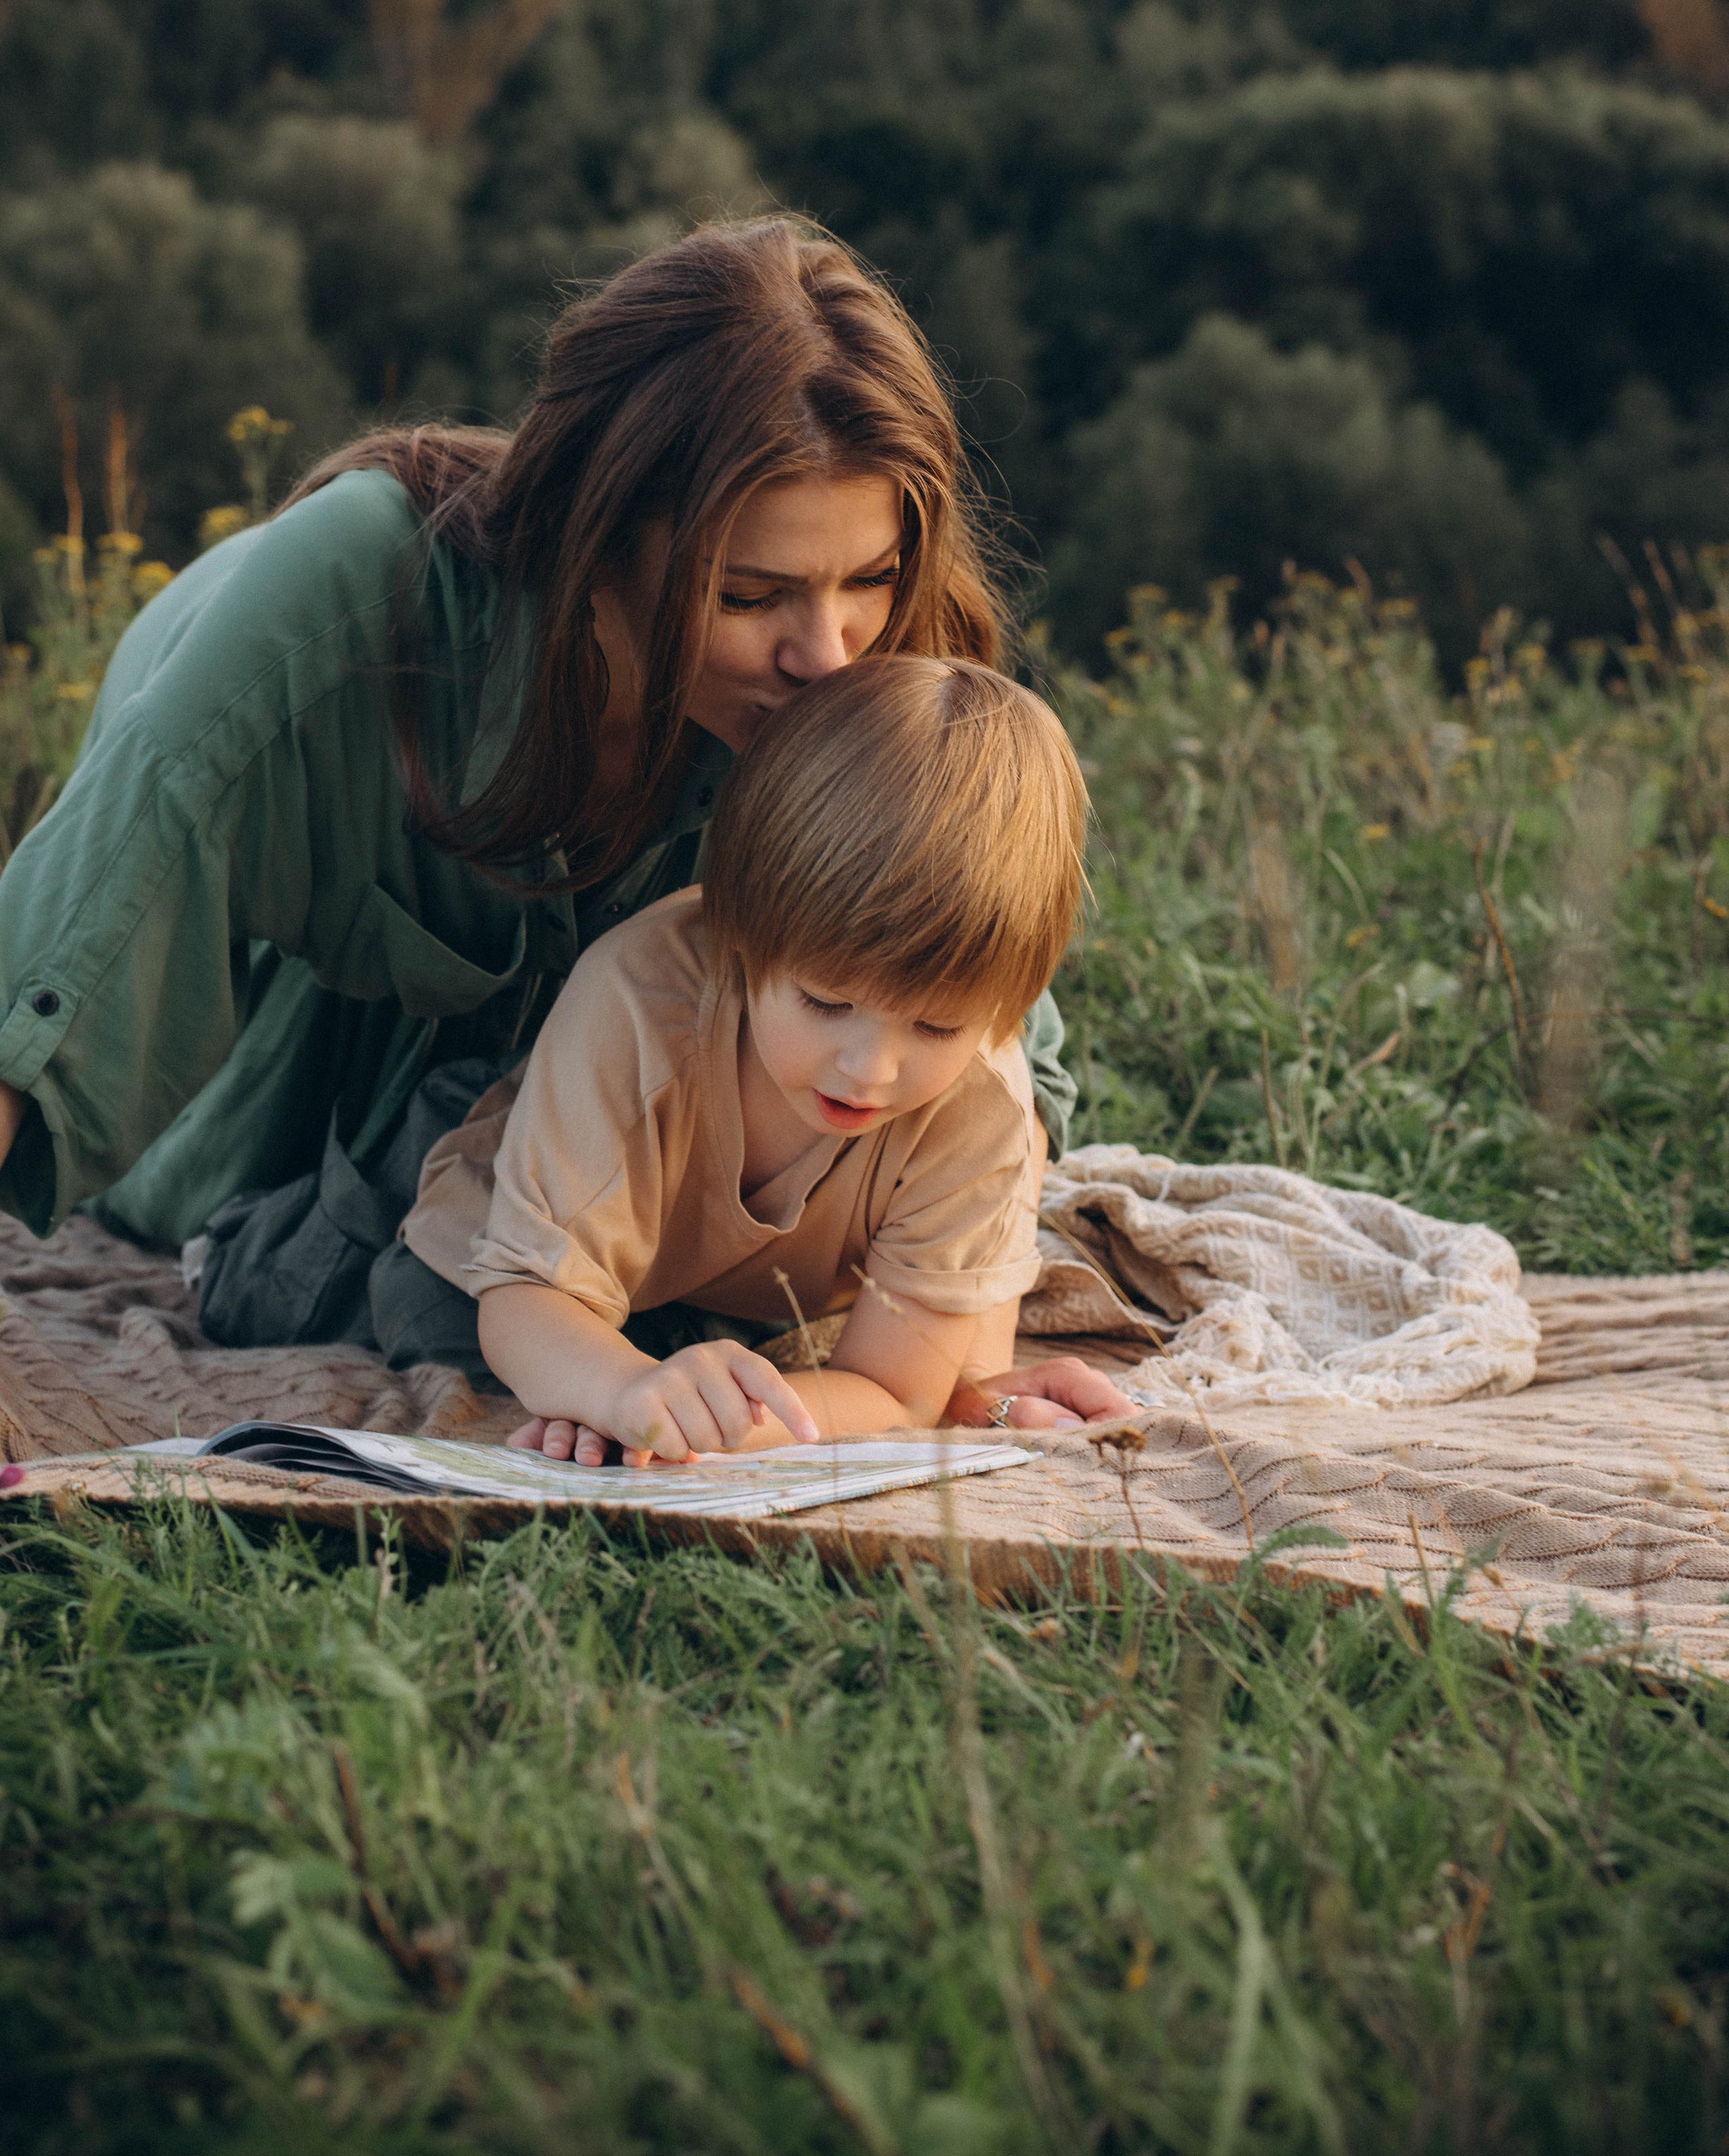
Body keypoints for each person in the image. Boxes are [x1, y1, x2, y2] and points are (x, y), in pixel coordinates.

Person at [0, 217, 1125, 1427]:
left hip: (600, 1198)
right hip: (292, 1160)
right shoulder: (337, 609)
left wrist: (953, 1347)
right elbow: (53, 977)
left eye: (872, 578)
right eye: (747, 596)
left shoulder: (860, 665)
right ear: (599, 542)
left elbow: (988, 1028)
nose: (829, 653)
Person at [405, 655, 1121, 1458]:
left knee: (683, 1360)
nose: (869, 1070)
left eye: (936, 1029)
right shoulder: (637, 1004)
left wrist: (702, 1423)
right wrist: (618, 1388)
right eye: (824, 1003)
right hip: (511, 1227)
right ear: (739, 939)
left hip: (726, 1295)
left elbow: (893, 1390)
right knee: (398, 1319)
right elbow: (525, 1298)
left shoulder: (982, 1098)